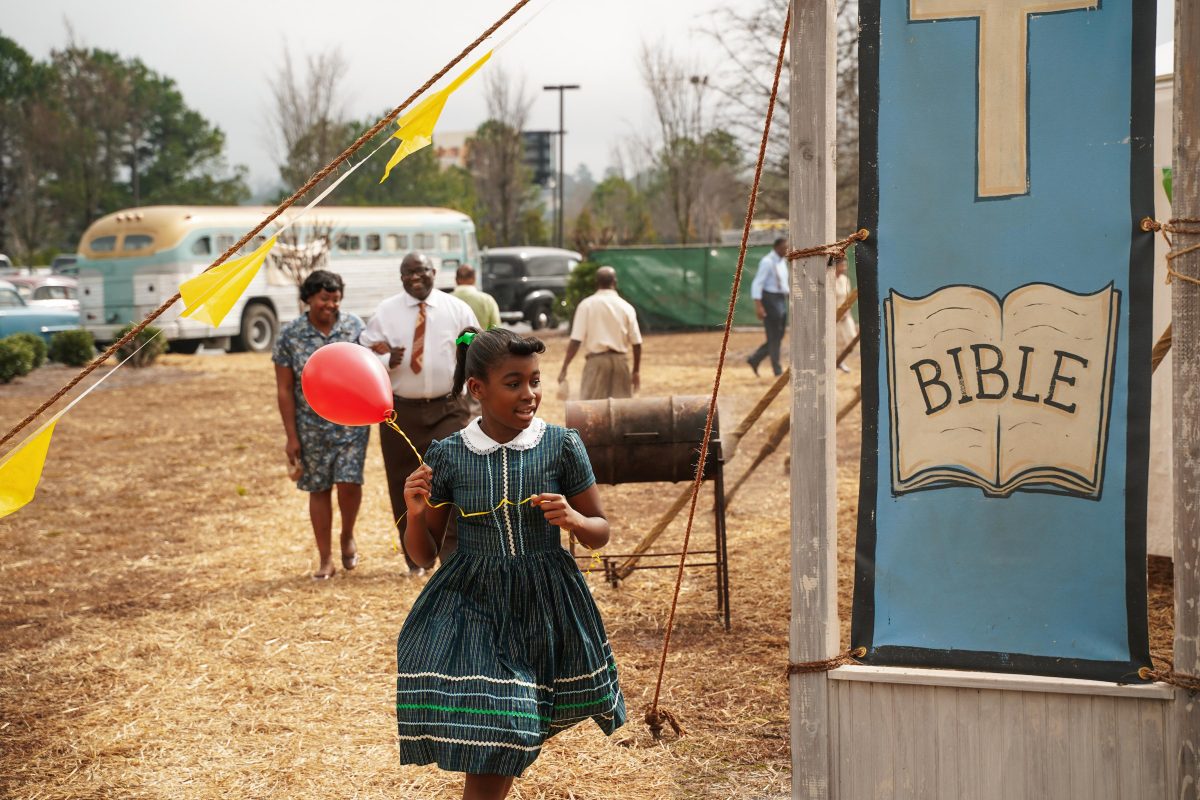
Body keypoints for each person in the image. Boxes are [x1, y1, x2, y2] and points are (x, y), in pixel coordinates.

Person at [398, 327, 626, 798]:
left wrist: (576, 520)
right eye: (514, 383)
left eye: (535, 381)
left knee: (508, 729)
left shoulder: (561, 445)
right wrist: (416, 515)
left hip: (543, 606)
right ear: (476, 389)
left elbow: (601, 531)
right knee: (500, 725)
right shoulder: (449, 456)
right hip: (473, 605)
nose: (530, 394)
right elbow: (421, 554)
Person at [359, 253, 478, 576]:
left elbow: (474, 345)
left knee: (450, 481)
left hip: (449, 408)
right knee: (404, 483)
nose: (415, 277)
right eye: (409, 272)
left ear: (434, 273)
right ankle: (415, 558)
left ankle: (451, 556)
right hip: (400, 413)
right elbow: (365, 352)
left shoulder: (457, 309)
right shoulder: (386, 312)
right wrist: (387, 360)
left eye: (421, 270)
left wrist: (468, 346)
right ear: (401, 277)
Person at [272, 269, 369, 580]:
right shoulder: (290, 335)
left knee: (350, 482)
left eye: (336, 299)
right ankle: (325, 558)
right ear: (308, 299)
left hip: (352, 424)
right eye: (324, 299)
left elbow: (369, 367)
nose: (331, 305)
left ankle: (347, 535)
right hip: (311, 426)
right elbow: (284, 389)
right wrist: (291, 436)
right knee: (319, 488)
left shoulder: (355, 326)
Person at [556, 266, 642, 400]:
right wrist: (636, 371)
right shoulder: (626, 307)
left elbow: (576, 341)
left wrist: (565, 367)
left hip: (596, 363)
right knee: (621, 412)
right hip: (621, 363)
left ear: (597, 283)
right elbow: (637, 343)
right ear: (615, 282)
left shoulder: (586, 305)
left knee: (591, 411)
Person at [747, 237, 790, 377]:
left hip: (780, 299)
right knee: (773, 336)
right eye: (785, 247)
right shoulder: (767, 262)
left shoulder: (782, 262)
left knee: (779, 335)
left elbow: (783, 283)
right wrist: (759, 306)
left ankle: (754, 359)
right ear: (777, 247)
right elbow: (757, 283)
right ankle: (777, 370)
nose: (787, 250)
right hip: (769, 299)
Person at [451, 263, 501, 331]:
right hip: (483, 341)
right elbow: (496, 329)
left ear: (456, 280)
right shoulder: (488, 300)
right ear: (474, 279)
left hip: (453, 342)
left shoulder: (445, 301)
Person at [834, 256, 857, 373]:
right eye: (841, 265)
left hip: (846, 313)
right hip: (834, 316)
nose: (844, 268)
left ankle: (840, 360)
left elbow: (848, 297)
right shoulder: (829, 280)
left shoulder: (845, 280)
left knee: (851, 337)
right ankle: (838, 362)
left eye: (845, 265)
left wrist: (847, 311)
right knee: (836, 340)